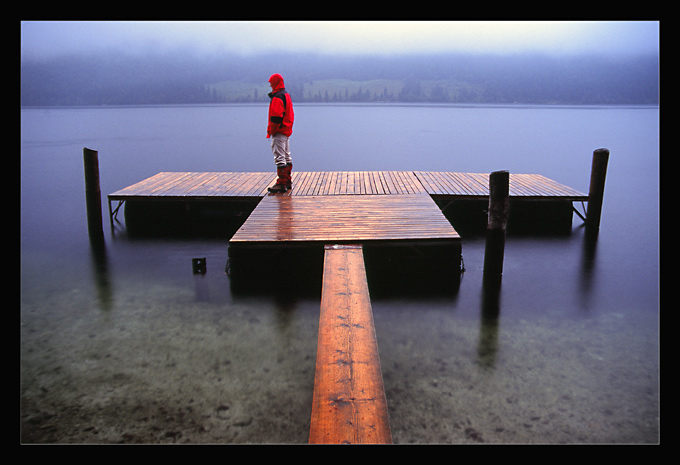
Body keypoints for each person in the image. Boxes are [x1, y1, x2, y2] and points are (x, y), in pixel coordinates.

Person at [266, 73, 294, 193]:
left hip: (279, 131)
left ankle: (281, 184)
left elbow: (276, 116)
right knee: (286, 155)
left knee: (279, 157)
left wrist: (272, 131)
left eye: (271, 82)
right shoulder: (285, 95)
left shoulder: (277, 97)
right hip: (286, 130)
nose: (270, 85)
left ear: (275, 83)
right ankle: (287, 181)